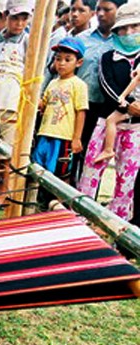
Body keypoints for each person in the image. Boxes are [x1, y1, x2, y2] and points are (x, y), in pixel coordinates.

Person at [78, 1, 140, 222]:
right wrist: (128, 104)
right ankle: (82, 218)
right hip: (107, 121)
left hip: (135, 128)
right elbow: (106, 85)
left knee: (127, 179)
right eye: (123, 28)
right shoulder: (108, 57)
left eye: (134, 27)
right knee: (92, 170)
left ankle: (117, 227)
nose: (128, 33)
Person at [0, 0, 31, 205]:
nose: (19, 23)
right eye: (15, 18)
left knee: (7, 153)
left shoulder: (28, 41)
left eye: (23, 18)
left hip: (12, 102)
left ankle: (5, 193)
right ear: (6, 17)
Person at [72, 0, 124, 185]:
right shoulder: (82, 39)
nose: (101, 14)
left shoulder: (124, 44)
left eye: (107, 10)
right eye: (98, 9)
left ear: (119, 11)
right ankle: (66, 195)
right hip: (80, 106)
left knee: (97, 157)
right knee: (74, 151)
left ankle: (87, 197)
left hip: (108, 109)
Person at [33, 37, 88, 181]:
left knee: (60, 171)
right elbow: (43, 105)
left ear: (79, 62)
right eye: (58, 59)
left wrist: (76, 138)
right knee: (39, 166)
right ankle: (37, 198)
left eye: (67, 59)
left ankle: (58, 202)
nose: (61, 63)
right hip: (45, 132)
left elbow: (81, 112)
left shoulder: (79, 85)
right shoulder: (51, 83)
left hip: (64, 136)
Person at [95, 64, 140, 163]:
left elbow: (135, 80)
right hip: (136, 104)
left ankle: (108, 150)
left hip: (136, 103)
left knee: (110, 120)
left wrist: (123, 96)